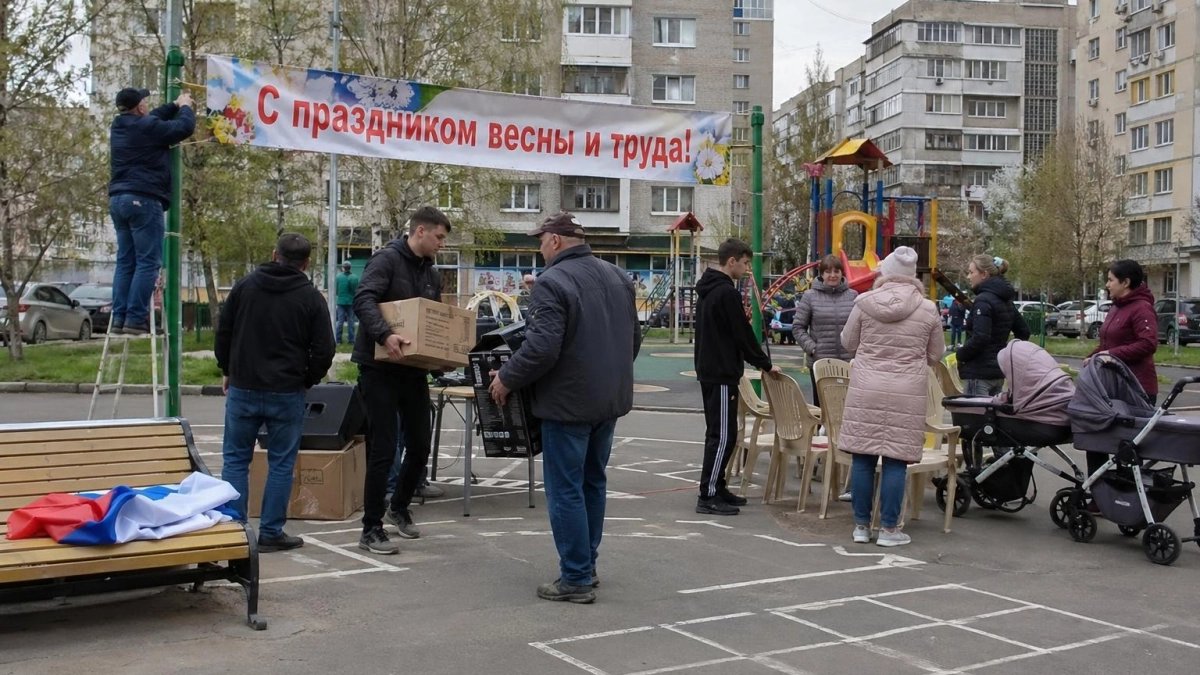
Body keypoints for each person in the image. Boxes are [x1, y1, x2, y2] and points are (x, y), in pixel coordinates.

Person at [488, 212, 639, 604]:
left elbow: (541, 348)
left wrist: (506, 379)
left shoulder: (552, 282)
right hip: (609, 399)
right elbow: (632, 340)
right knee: (593, 481)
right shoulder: (617, 276)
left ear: (554, 240)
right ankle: (586, 565)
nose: (539, 248)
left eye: (540, 241)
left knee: (565, 489)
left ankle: (574, 577)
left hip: (568, 403)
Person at [216, 233, 335, 552]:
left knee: (236, 460)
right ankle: (270, 531)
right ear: (306, 263)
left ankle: (236, 530)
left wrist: (227, 369)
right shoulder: (311, 298)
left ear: (274, 255)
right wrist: (308, 378)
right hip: (287, 391)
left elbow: (223, 332)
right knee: (282, 463)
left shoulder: (244, 287)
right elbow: (325, 349)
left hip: (243, 387)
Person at [353, 206, 452, 555]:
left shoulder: (431, 274)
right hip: (379, 368)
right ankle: (370, 528)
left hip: (413, 370)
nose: (442, 243)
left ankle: (399, 507)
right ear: (421, 231)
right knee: (383, 448)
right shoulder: (386, 261)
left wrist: (440, 357)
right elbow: (363, 299)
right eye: (439, 236)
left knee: (421, 444)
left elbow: (434, 323)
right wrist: (384, 335)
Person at [839, 247, 943, 547]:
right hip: (906, 392)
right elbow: (936, 354)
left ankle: (860, 526)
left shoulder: (864, 302)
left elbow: (848, 342)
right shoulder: (928, 309)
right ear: (912, 277)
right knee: (896, 461)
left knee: (863, 458)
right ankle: (889, 530)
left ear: (884, 273)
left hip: (866, 388)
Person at [693, 239, 782, 516]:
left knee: (722, 433)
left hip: (712, 369)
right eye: (744, 264)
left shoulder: (709, 290)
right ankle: (708, 494)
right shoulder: (725, 293)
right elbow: (741, 334)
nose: (746, 269)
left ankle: (717, 486)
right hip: (720, 372)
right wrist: (765, 364)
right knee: (722, 436)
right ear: (731, 261)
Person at [108, 87, 196, 335]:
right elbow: (183, 129)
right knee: (148, 262)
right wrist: (186, 106)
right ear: (140, 107)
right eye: (145, 101)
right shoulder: (146, 128)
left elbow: (154, 119)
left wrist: (174, 104)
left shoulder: (120, 126)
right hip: (143, 199)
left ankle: (120, 317)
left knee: (126, 261)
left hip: (119, 200)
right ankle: (136, 319)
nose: (148, 104)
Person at [1087, 259, 1158, 474]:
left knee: (1125, 450)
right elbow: (1108, 343)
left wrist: (1112, 355)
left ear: (1125, 282)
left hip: (1136, 388)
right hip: (1112, 387)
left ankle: (1123, 499)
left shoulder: (1141, 309)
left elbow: (1148, 344)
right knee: (1096, 441)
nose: (1107, 285)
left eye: (1110, 280)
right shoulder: (1117, 308)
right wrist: (1093, 356)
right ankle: (1100, 494)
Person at [956, 255, 1031, 397]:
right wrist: (1004, 353)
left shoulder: (983, 300)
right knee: (991, 417)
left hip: (978, 372)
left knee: (974, 416)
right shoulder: (1005, 300)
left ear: (984, 274)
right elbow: (1023, 332)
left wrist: (961, 354)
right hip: (998, 372)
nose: (968, 276)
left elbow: (980, 337)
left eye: (972, 272)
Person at [792, 254, 857, 408]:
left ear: (842, 273)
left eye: (836, 271)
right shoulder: (810, 297)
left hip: (848, 362)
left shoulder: (853, 296)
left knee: (847, 407)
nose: (832, 275)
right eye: (828, 272)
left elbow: (860, 326)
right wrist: (813, 348)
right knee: (823, 408)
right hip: (821, 361)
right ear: (821, 274)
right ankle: (821, 432)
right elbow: (798, 326)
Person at [335, 261, 359, 345]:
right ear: (350, 267)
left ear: (343, 267)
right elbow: (356, 290)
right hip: (351, 301)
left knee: (340, 321)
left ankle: (338, 340)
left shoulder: (338, 277)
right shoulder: (354, 277)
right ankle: (351, 340)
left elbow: (336, 290)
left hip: (341, 301)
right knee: (351, 321)